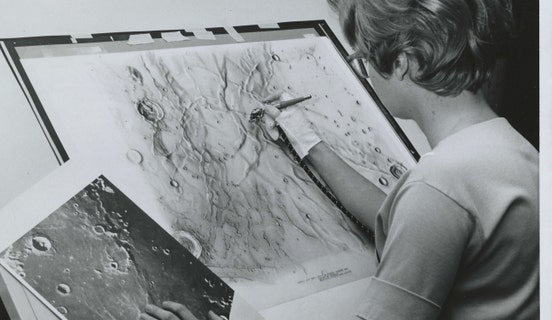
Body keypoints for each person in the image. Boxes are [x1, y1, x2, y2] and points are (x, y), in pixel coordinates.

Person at [143, 0, 539, 319]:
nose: (364, 72)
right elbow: (402, 218)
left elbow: (425, 213)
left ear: (401, 62)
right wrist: (308, 141)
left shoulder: (440, 185)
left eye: (362, 59)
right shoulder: (509, 150)